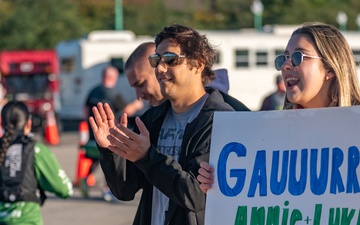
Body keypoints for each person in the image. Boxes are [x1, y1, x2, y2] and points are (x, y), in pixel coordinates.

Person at [89, 24, 249, 225]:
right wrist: (110, 150)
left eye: (170, 60)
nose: (161, 68)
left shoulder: (222, 120)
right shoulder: (152, 119)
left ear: (198, 64)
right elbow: (124, 189)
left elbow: (196, 196)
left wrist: (147, 157)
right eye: (156, 60)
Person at [197, 22, 360, 193]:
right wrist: (217, 181)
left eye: (298, 57)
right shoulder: (271, 136)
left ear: (330, 68)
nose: (285, 66)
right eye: (284, 58)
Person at [0, 100, 73, 225]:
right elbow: (65, 189)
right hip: (27, 220)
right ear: (28, 123)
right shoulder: (36, 150)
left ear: (2, 123)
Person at [81, 65, 143, 201]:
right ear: (112, 78)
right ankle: (107, 189)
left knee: (95, 159)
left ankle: (85, 180)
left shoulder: (93, 91)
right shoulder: (114, 93)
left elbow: (85, 110)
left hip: (94, 134)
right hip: (109, 135)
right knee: (110, 159)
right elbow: (127, 111)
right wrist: (137, 105)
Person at [125, 42, 165, 107]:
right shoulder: (155, 115)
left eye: (141, 85)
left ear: (159, 71)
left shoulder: (185, 111)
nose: (139, 97)